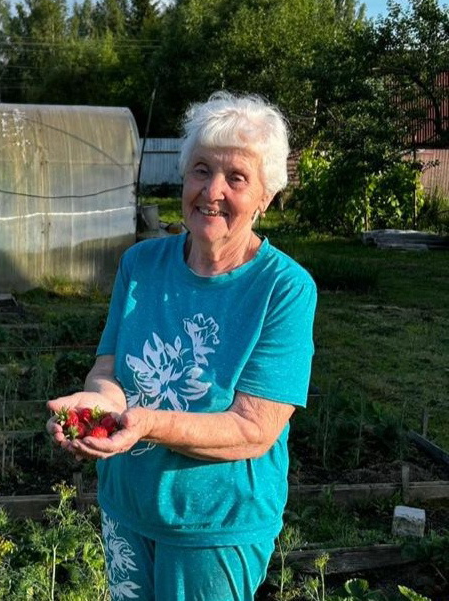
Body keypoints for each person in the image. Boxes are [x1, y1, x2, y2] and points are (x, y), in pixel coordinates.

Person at [47, 91, 317, 601]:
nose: (212, 191)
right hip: (127, 508)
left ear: (265, 196)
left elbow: (253, 430)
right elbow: (108, 369)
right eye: (201, 170)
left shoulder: (284, 289)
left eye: (236, 178)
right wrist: (98, 404)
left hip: (214, 527)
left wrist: (146, 423)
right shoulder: (141, 264)